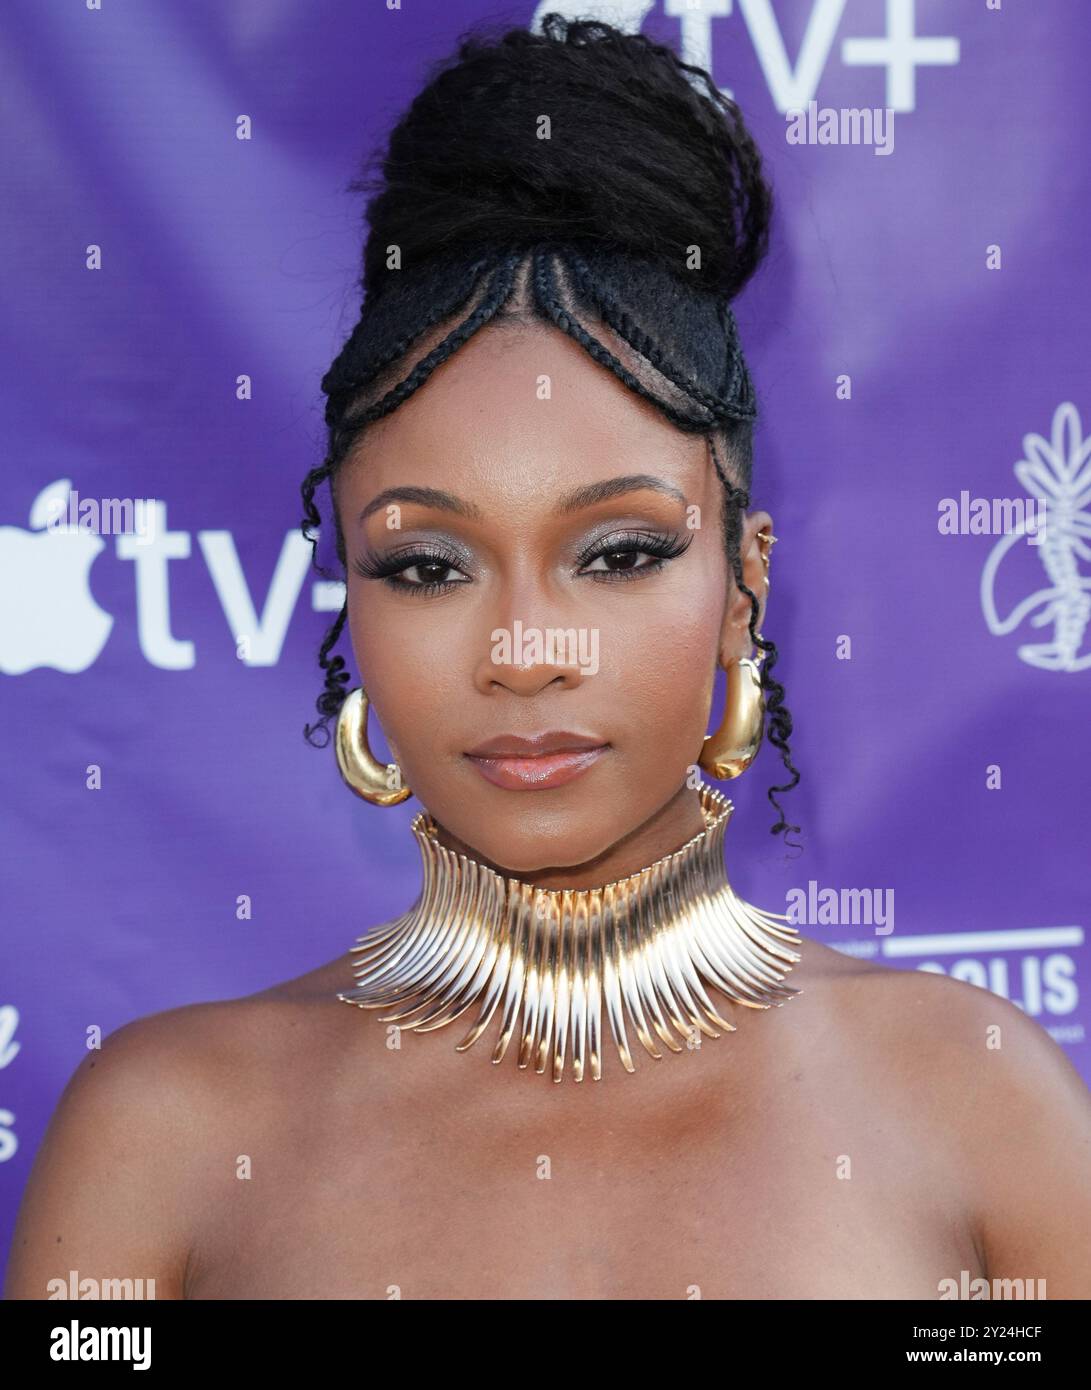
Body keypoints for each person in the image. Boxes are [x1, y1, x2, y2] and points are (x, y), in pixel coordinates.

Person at [6, 14, 1090, 1302]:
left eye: (619, 551)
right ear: (349, 601)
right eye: (427, 566)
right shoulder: (160, 1142)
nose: (525, 651)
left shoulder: (981, 1110)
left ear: (744, 587)